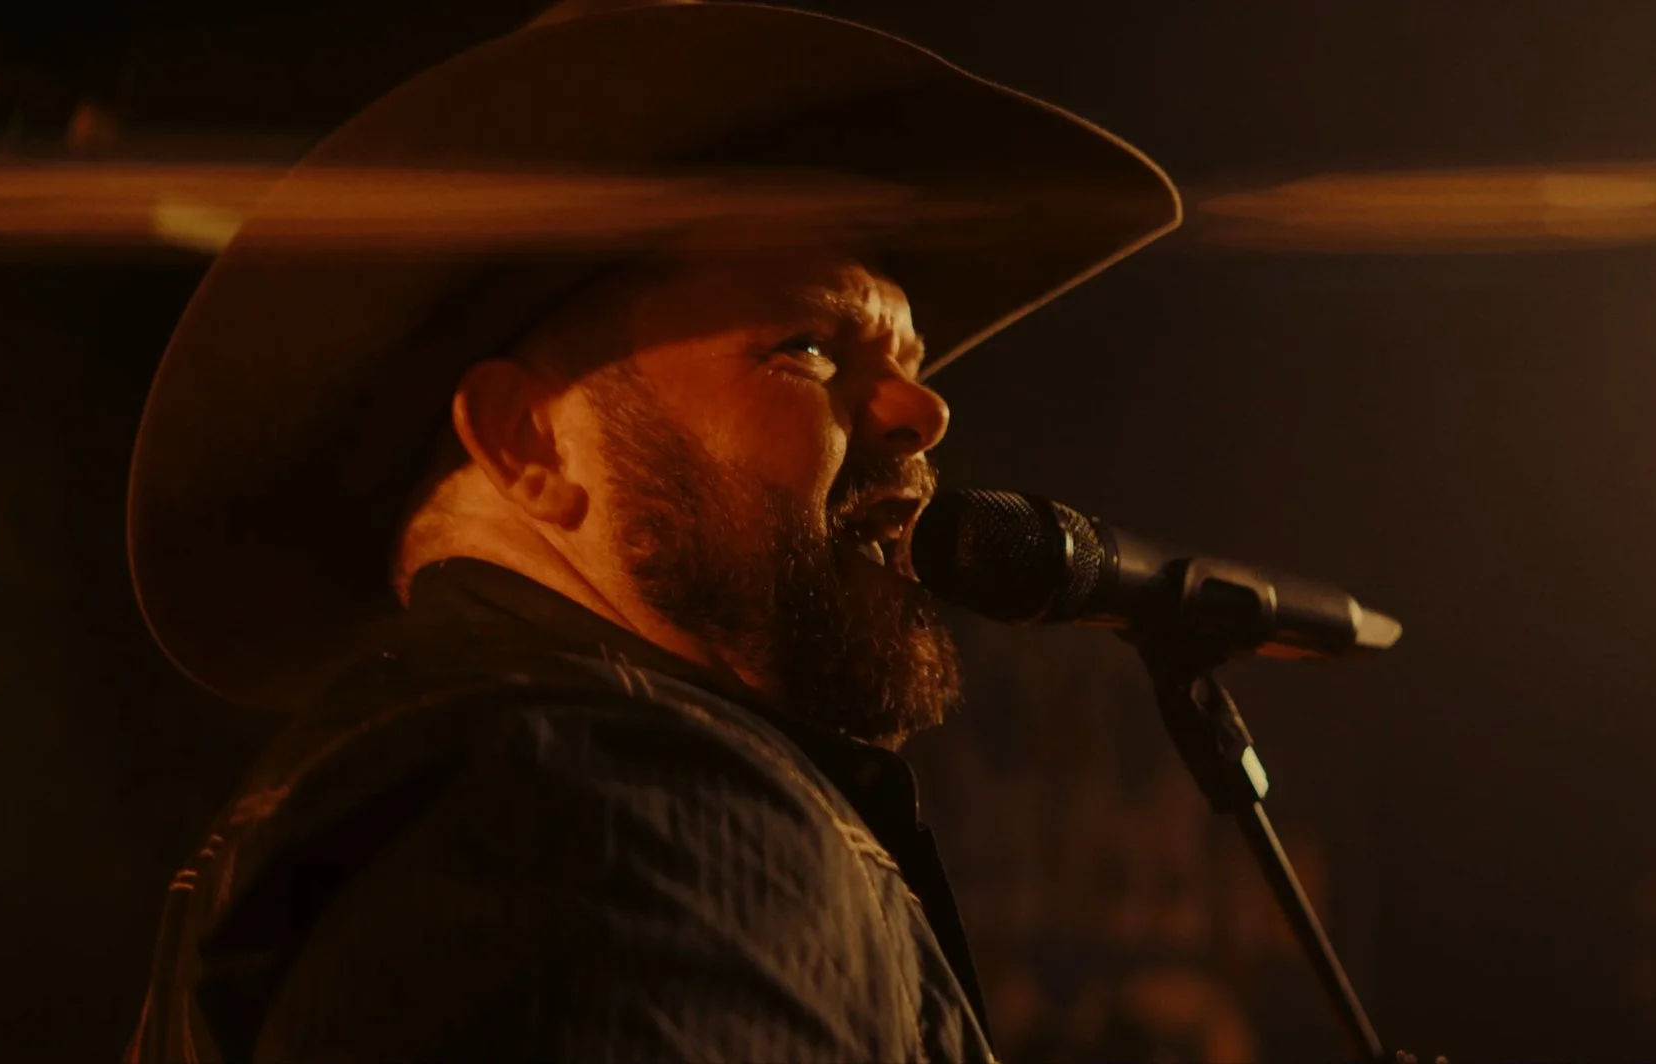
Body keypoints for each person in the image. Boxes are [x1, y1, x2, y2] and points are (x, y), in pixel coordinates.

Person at [120, 3, 1179, 1061]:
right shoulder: (606, 810)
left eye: (910, 360)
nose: (924, 411)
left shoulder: (415, 807)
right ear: (529, 442)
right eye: (810, 347)